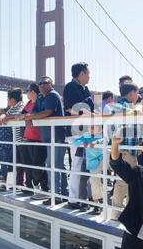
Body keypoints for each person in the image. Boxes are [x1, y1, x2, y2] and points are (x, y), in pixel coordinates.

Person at [26, 76, 67, 205]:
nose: (42, 85)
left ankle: (56, 196)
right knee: (57, 166)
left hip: (57, 137)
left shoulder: (52, 95)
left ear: (52, 85)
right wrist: (29, 116)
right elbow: (34, 111)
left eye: (45, 83)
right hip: (49, 138)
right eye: (40, 83)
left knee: (53, 166)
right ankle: (63, 194)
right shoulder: (40, 97)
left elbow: (48, 112)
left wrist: (29, 116)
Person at [63, 62, 95, 210]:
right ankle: (73, 200)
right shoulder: (70, 87)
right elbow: (72, 109)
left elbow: (87, 109)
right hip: (75, 134)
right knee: (76, 165)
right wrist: (89, 101)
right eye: (88, 73)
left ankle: (82, 197)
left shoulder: (84, 88)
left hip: (84, 133)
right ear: (81, 73)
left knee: (84, 166)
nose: (89, 76)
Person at [111, 82, 142, 220]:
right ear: (131, 93)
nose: (138, 95)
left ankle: (126, 211)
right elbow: (123, 115)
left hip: (129, 149)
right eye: (136, 93)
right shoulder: (120, 106)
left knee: (130, 181)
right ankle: (116, 213)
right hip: (125, 149)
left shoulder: (128, 106)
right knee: (123, 182)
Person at [16, 83, 49, 199]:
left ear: (33, 92)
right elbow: (21, 114)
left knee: (38, 166)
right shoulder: (29, 103)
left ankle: (45, 189)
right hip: (28, 137)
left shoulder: (40, 102)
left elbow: (37, 114)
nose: (26, 93)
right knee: (28, 165)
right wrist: (25, 116)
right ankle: (36, 189)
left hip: (38, 138)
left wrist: (27, 117)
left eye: (28, 91)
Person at [0, 88, 25, 191]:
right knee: (6, 162)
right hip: (6, 140)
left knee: (10, 162)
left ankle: (6, 181)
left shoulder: (19, 107)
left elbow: (15, 115)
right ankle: (5, 182)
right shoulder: (10, 108)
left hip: (13, 139)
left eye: (8, 99)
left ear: (12, 99)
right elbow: (4, 114)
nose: (7, 101)